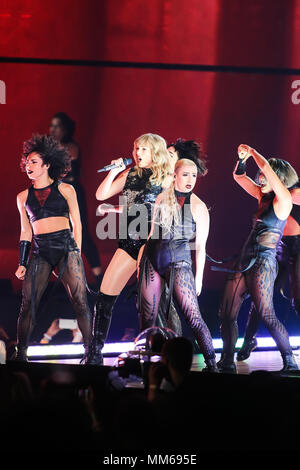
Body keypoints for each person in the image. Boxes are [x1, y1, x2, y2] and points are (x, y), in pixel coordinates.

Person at [87, 133, 172, 365]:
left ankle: (161, 352)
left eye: (143, 149)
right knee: (104, 296)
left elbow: (164, 212)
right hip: (128, 243)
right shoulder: (130, 173)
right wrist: (114, 171)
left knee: (151, 305)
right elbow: (101, 194)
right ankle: (94, 353)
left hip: (151, 243)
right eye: (136, 148)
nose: (137, 153)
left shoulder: (165, 178)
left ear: (155, 151)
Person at [218, 145, 299, 373]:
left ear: (277, 178)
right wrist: (242, 159)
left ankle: (290, 362)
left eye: (264, 175)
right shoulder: (261, 196)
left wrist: (253, 152)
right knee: (226, 312)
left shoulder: (283, 200)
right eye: (260, 176)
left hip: (264, 262)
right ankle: (226, 361)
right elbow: (238, 176)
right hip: (244, 259)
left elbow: (267, 169)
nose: (260, 178)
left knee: (266, 313)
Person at [14, 134, 92, 362]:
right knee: (28, 303)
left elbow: (77, 223)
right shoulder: (22, 197)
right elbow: (26, 231)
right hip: (40, 252)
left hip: (66, 247)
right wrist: (21, 261)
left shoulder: (66, 189)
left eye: (34, 162)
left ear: (47, 165)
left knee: (80, 300)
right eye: (27, 162)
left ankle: (91, 353)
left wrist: (76, 253)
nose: (29, 165)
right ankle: (21, 355)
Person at [138, 157, 218, 372]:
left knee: (193, 317)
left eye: (194, 175)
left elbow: (201, 247)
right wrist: (141, 263)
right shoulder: (162, 198)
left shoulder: (199, 207)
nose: (191, 179)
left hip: (179, 263)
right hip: (152, 260)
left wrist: (199, 279)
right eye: (185, 174)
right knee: (147, 317)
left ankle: (212, 365)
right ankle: (146, 368)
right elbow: (151, 235)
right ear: (175, 176)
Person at [237, 182, 300, 361]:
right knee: (261, 296)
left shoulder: (292, 192)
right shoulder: (273, 190)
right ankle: (249, 340)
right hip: (277, 247)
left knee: (298, 299)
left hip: (298, 247)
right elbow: (242, 179)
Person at [49, 112, 102, 286]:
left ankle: (99, 277)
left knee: (82, 234)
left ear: (65, 129)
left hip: (72, 193)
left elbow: (59, 168)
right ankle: (60, 279)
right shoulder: (50, 147)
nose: (53, 129)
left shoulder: (70, 147)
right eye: (52, 125)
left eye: (58, 126)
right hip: (54, 194)